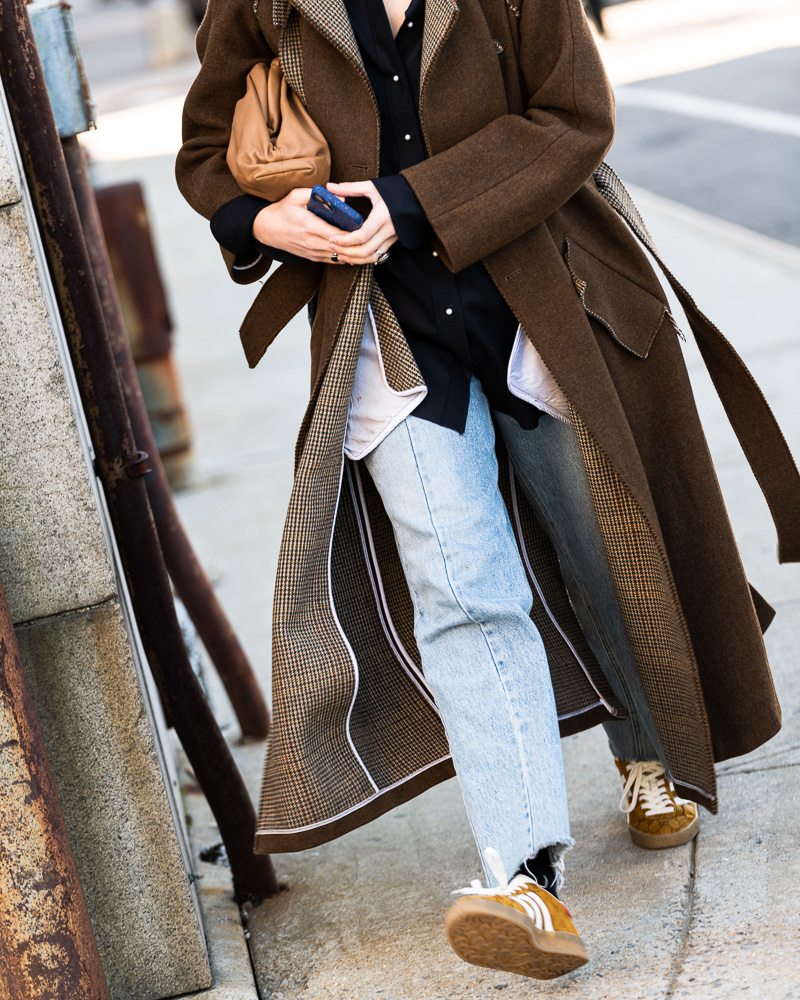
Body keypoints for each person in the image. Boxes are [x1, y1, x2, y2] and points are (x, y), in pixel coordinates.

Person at [177, 0, 794, 981]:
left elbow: (572, 119)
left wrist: (405, 202)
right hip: (385, 332)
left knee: (602, 547)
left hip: (546, 298)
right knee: (463, 595)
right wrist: (262, 216)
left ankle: (645, 750)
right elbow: (207, 148)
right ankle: (526, 879)